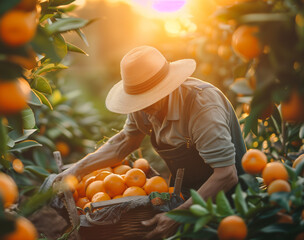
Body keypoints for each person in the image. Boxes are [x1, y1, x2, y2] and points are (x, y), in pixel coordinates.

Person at [54, 45, 246, 239]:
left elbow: (226, 175)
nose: (142, 106)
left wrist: (179, 216)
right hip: (185, 194)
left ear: (167, 86)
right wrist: (75, 170)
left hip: (228, 199)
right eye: (138, 100)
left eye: (149, 98)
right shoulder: (142, 106)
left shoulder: (202, 107)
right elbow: (125, 143)